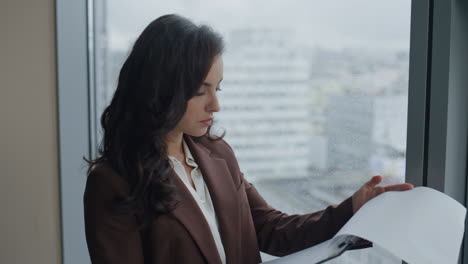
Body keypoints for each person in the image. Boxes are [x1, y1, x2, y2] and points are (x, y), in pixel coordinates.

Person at [83, 14, 414, 264]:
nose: (216, 105)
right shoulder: (113, 182)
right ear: (160, 90)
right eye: (200, 92)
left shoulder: (217, 154)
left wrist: (352, 208)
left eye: (218, 88)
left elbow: (271, 228)